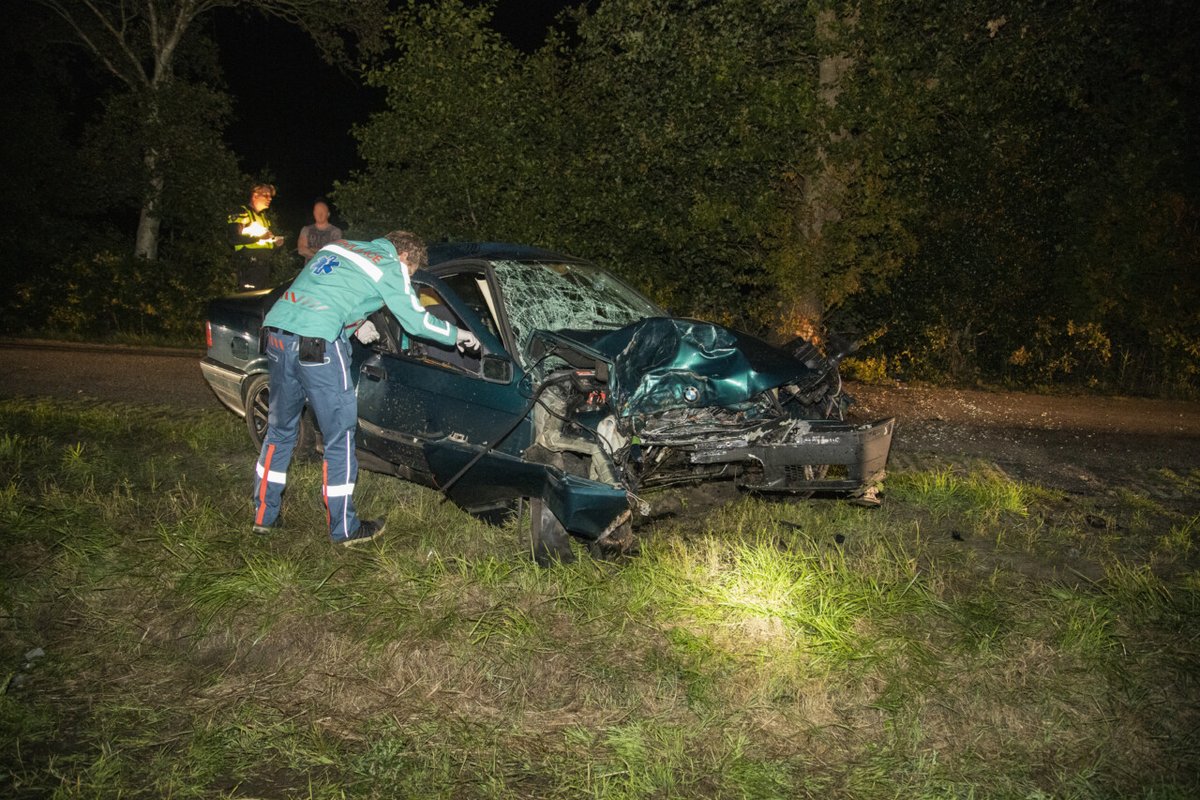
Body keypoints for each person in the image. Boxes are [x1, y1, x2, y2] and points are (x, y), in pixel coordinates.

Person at [251, 231, 480, 547]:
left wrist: (357, 323)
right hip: (318, 348)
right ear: (406, 257)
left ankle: (264, 516)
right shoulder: (390, 265)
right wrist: (458, 336)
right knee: (340, 438)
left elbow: (328, 291)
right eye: (410, 274)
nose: (407, 279)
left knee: (279, 432)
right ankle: (344, 529)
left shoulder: (340, 248)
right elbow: (416, 322)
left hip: (278, 335)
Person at [228, 183, 284, 290]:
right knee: (248, 302)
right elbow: (233, 238)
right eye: (266, 195)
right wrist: (259, 237)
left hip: (264, 268)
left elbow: (263, 243)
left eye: (270, 196)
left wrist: (275, 244)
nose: (270, 198)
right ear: (255, 195)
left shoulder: (263, 217)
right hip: (249, 267)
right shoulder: (242, 212)